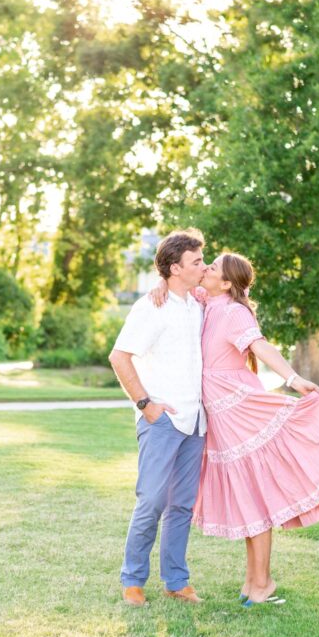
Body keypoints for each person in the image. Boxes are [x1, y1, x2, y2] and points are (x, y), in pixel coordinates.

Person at [150, 252, 319, 607]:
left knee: (255, 499)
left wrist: (293, 378)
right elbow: (177, 284)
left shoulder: (232, 312)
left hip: (240, 412)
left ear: (226, 283)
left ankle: (262, 584)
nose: (205, 269)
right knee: (248, 502)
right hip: (221, 419)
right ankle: (256, 581)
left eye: (212, 268)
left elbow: (260, 346)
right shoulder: (205, 302)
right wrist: (160, 286)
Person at [108, 229, 209, 607]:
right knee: (150, 501)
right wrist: (145, 404)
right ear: (174, 268)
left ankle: (176, 581)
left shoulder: (198, 304)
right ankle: (133, 581)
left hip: (196, 421)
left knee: (182, 506)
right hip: (162, 420)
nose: (203, 266)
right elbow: (120, 357)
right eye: (196, 262)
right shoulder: (151, 306)